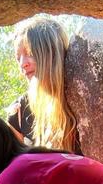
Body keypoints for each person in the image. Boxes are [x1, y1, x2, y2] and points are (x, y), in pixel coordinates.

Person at [7, 15, 80, 152]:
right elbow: (16, 167)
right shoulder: (19, 111)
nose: (23, 64)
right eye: (18, 58)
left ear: (52, 53)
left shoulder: (81, 99)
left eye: (30, 53)